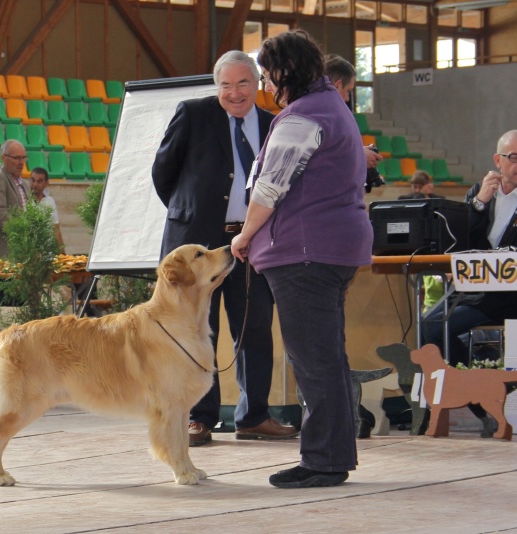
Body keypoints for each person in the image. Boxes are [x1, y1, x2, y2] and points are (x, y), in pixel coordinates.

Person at [230, 30, 374, 489]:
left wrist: (245, 235)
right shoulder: (334, 108)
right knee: (325, 356)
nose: (267, 86)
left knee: (314, 360)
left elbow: (272, 186)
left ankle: (324, 461)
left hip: (306, 251)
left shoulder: (304, 115)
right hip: (330, 248)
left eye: (268, 76)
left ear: (284, 71)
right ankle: (331, 455)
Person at [152, 50, 297, 447]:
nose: (234, 93)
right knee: (197, 331)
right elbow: (163, 172)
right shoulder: (192, 113)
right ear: (217, 87)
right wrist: (193, 216)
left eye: (243, 83)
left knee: (253, 327)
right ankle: (199, 418)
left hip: (250, 242)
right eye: (226, 85)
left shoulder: (274, 125)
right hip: (197, 246)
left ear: (258, 85)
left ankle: (253, 417)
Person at [422, 129, 517, 367]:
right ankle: (479, 373)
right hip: (477, 287)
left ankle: (478, 378)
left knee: (434, 329)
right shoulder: (480, 192)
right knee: (426, 326)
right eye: (515, 157)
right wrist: (478, 204)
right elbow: (461, 242)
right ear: (498, 160)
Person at [0, 140, 31, 304]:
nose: (21, 162)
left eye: (23, 158)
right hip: (4, 256)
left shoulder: (23, 184)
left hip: (22, 256)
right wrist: (20, 231)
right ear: (4, 158)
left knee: (21, 306)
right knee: (7, 307)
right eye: (16, 158)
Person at [324, 55, 383, 175]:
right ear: (337, 85)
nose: (346, 99)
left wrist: (359, 153)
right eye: (348, 91)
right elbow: (320, 160)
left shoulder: (330, 115)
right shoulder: (322, 116)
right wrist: (359, 157)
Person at [29, 167, 65, 252]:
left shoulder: (50, 201)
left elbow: (55, 228)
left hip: (46, 251)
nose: (35, 184)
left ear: (46, 183)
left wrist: (62, 253)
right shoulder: (24, 200)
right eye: (33, 180)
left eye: (39, 181)